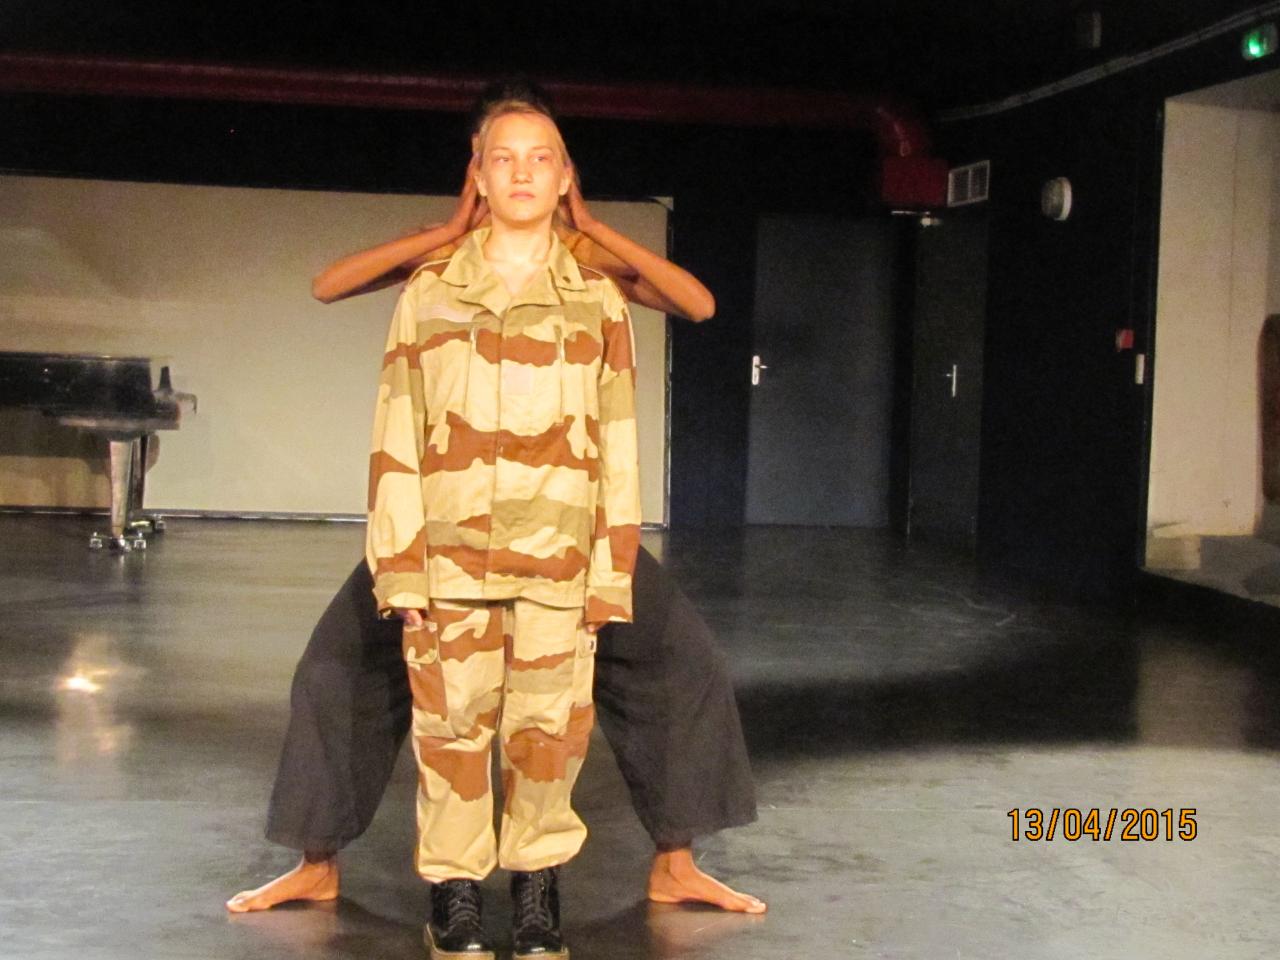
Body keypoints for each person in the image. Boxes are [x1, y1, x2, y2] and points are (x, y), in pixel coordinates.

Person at [228, 82, 764, 925]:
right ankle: (316, 862)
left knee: (683, 662)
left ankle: (675, 863)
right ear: (476, 170)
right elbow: (330, 285)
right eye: (499, 156)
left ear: (562, 173)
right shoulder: (444, 265)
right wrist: (446, 229)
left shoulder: (583, 267)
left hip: (563, 528)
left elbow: (695, 303)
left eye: (539, 158)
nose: (519, 172)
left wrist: (590, 227)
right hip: (451, 530)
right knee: (335, 670)